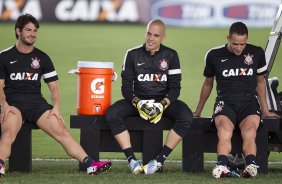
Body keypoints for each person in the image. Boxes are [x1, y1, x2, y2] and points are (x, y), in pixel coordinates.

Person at [0, 13, 111, 178]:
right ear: (18, 31)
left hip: (37, 104)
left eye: (35, 31)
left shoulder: (42, 57)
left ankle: (90, 164)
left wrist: (57, 108)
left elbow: (54, 88)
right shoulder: (4, 56)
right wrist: (4, 105)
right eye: (28, 30)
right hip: (13, 104)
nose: (32, 34)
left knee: (62, 131)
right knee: (8, 133)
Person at [105, 19, 193, 175]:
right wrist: (138, 103)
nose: (151, 39)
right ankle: (132, 160)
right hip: (138, 101)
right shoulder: (132, 54)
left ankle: (159, 161)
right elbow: (126, 88)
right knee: (112, 113)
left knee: (186, 115)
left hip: (162, 101)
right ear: (145, 33)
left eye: (156, 35)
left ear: (163, 37)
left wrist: (162, 104)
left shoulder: (171, 55)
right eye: (149, 34)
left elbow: (175, 88)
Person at [193, 22, 280, 179]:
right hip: (225, 102)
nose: (239, 48)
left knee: (250, 130)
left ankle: (251, 166)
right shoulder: (214, 55)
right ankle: (222, 166)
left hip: (249, 102)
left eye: (242, 44)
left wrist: (265, 110)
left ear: (246, 40)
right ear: (228, 38)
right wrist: (198, 111)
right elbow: (208, 84)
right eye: (235, 44)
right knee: (224, 130)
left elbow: (260, 82)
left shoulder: (257, 53)